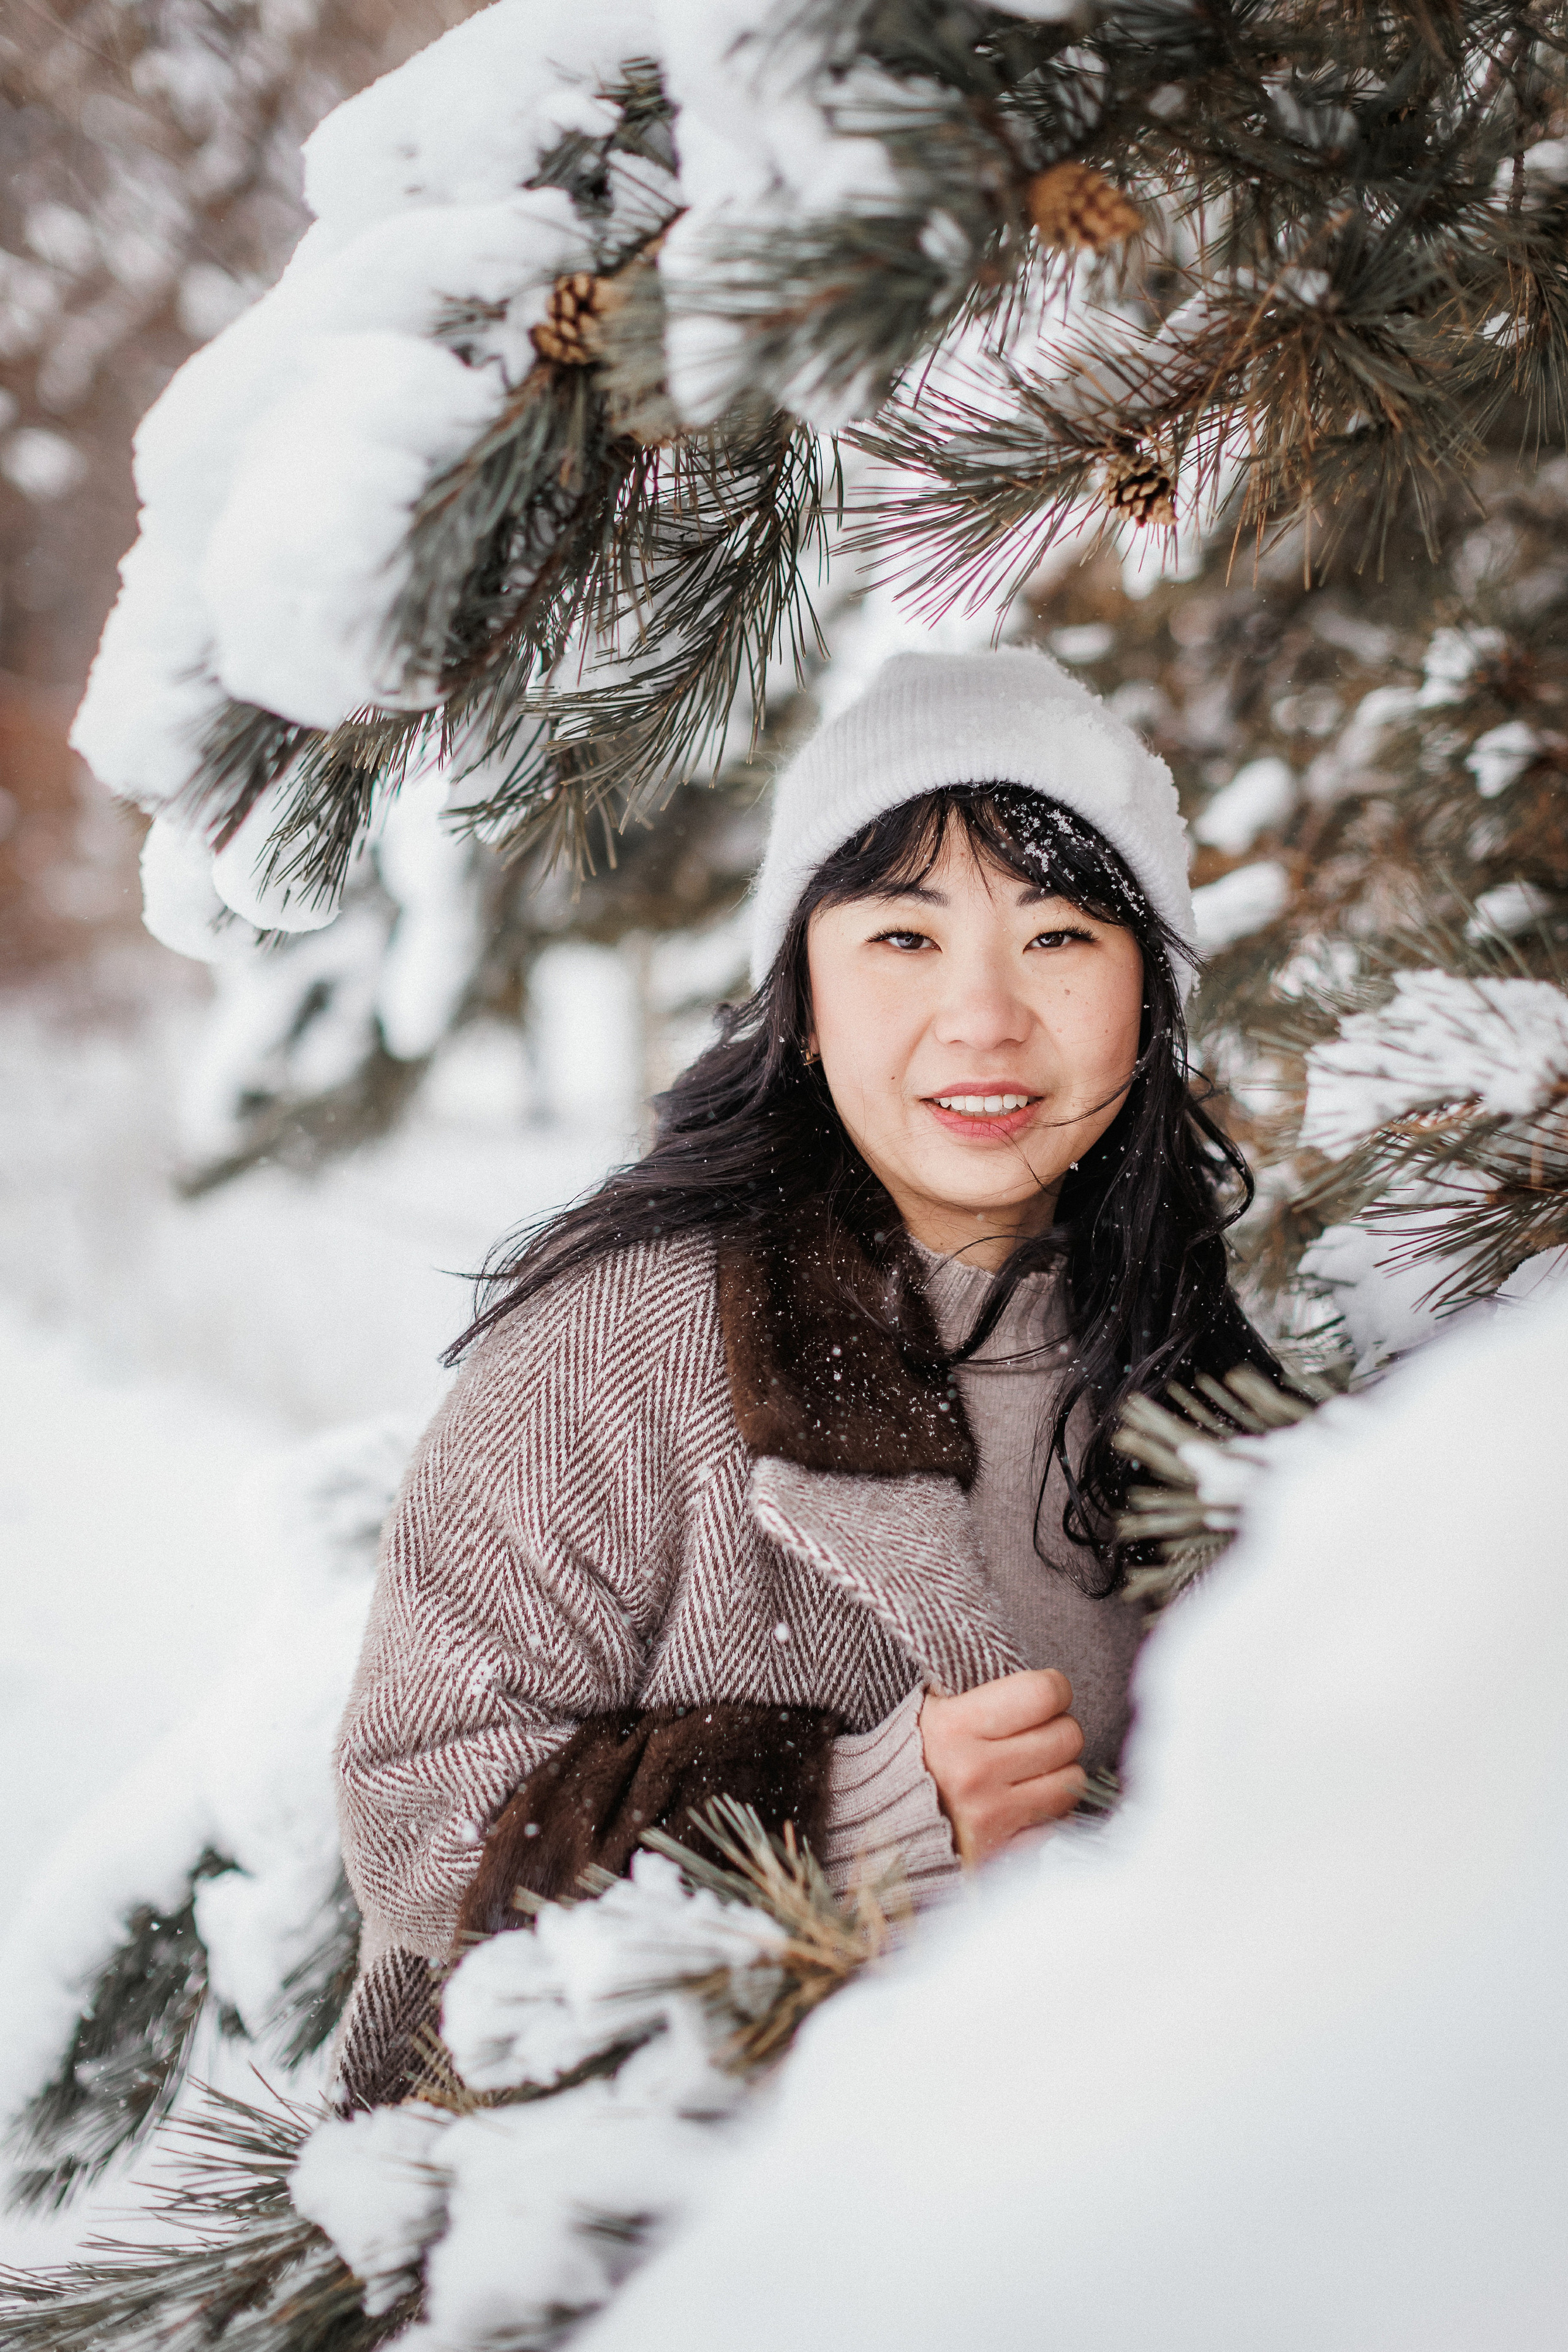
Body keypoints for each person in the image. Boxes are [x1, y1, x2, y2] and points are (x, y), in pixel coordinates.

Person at [333, 647, 1276, 2102]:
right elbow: (413, 1809)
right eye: (903, 938)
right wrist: (849, 1820)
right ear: (804, 994)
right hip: (649, 2221)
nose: (982, 1018)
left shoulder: (1197, 1364)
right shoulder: (624, 1340)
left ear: (1146, 992)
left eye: (1059, 937)